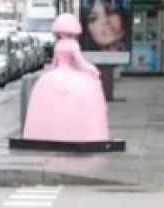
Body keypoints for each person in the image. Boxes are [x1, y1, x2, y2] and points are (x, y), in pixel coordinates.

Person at [23, 14, 109, 143]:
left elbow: (54, 64)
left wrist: (46, 76)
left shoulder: (58, 45)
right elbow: (80, 62)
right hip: (71, 76)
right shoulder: (73, 45)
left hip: (55, 75)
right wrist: (92, 69)